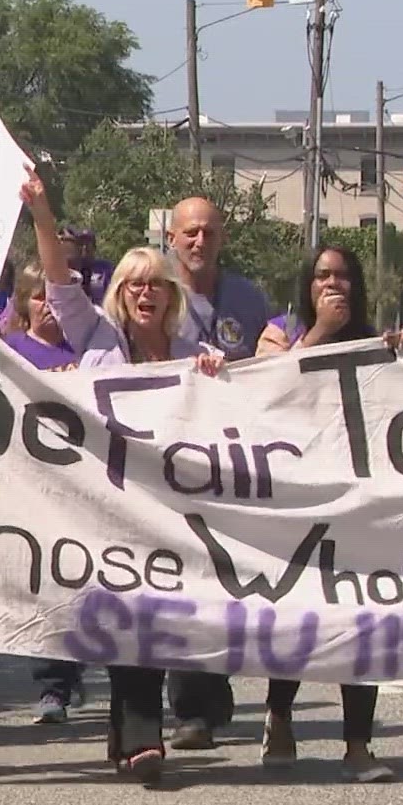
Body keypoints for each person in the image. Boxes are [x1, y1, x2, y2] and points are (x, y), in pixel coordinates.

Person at [24, 168, 221, 785]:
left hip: (167, 508)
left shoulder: (192, 353)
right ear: (120, 295)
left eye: (154, 286)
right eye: (134, 285)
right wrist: (41, 213)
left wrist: (213, 377)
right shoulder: (97, 339)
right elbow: (57, 281)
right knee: (124, 615)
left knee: (156, 616)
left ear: (170, 296)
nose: (144, 294)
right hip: (106, 502)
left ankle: (127, 734)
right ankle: (141, 736)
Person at [250, 245, 394, 783]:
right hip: (297, 501)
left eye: (342, 277)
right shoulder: (281, 333)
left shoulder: (374, 341)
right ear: (306, 286)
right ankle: (280, 716)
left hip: (359, 501)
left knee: (363, 618)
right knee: (299, 618)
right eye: (321, 277)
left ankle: (358, 744)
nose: (332, 285)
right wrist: (316, 338)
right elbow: (267, 391)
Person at [163, 195, 271, 750]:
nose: (199, 241)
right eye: (189, 233)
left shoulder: (249, 301)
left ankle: (215, 685)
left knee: (224, 583)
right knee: (182, 583)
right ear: (172, 238)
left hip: (234, 466)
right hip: (168, 466)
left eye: (208, 232)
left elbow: (279, 364)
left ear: (222, 238)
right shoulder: (153, 294)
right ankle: (189, 710)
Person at [0, 258, 85, 722]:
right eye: (38, 297)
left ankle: (69, 674)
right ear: (24, 303)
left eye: (55, 298)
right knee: (44, 587)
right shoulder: (9, 351)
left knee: (77, 584)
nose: (48, 307)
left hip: (79, 487)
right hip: (29, 485)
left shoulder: (88, 352)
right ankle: (52, 685)